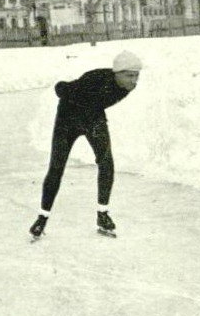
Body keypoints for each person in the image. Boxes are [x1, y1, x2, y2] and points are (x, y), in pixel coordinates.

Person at [29, 50, 142, 238]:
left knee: (106, 162)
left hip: (93, 117)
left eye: (136, 75)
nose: (134, 80)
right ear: (117, 73)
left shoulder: (127, 87)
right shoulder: (94, 78)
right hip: (68, 118)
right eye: (129, 75)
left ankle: (103, 215)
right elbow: (63, 89)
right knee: (57, 166)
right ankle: (42, 219)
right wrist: (62, 87)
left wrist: (94, 120)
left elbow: (99, 103)